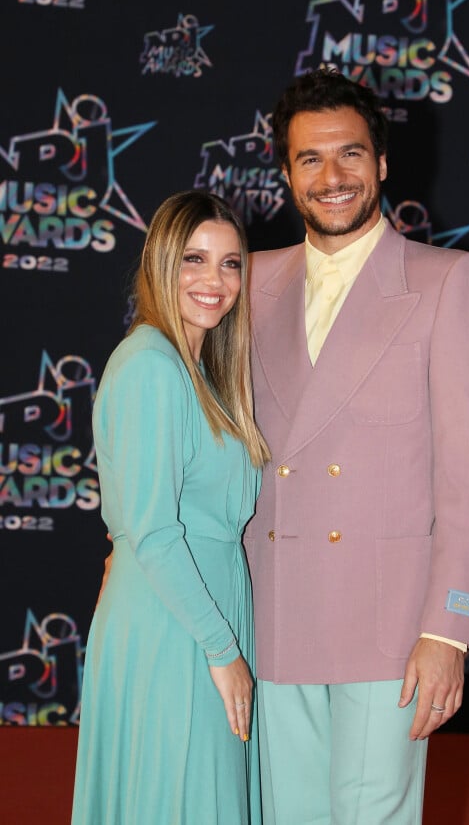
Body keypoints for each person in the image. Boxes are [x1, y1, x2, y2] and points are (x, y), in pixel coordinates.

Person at [242, 69, 469, 824]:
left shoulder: (448, 280)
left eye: (350, 155)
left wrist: (448, 629)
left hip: (389, 626)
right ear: (287, 172)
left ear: (383, 163)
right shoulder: (247, 284)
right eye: (310, 159)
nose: (332, 177)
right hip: (274, 611)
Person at [72, 191, 269, 825]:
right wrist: (223, 650)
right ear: (160, 262)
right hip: (177, 628)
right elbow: (153, 532)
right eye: (195, 259)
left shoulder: (203, 371)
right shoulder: (151, 367)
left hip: (200, 612)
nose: (215, 281)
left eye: (231, 263)